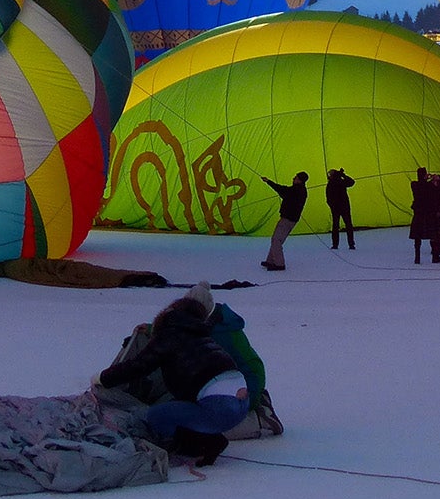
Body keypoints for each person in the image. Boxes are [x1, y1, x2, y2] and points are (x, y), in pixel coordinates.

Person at [98, 295, 247, 465]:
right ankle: (209, 438)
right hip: (241, 404)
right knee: (181, 409)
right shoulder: (201, 336)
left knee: (157, 416)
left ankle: (205, 443)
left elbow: (139, 365)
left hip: (220, 405)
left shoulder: (169, 336)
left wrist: (104, 378)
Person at [260, 172, 307, 271]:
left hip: (287, 219)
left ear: (300, 180)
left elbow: (282, 189)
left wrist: (268, 181)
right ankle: (270, 261)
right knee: (277, 240)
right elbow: (284, 193)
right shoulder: (299, 190)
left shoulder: (296, 190)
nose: (293, 178)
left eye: (296, 178)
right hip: (290, 219)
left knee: (276, 240)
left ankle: (279, 264)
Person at [410, 167, 440, 263]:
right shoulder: (426, 186)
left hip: (419, 214)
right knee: (433, 235)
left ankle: (418, 258)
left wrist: (429, 180)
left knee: (418, 237)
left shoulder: (415, 185)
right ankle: (435, 256)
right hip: (428, 214)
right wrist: (433, 180)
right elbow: (436, 192)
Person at [325, 167, 355, 250]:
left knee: (336, 226)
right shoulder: (340, 182)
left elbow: (328, 198)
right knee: (348, 225)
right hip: (343, 206)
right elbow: (351, 182)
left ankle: (335, 245)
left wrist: (332, 206)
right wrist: (343, 175)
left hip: (337, 208)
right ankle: (351, 244)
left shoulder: (332, 184)